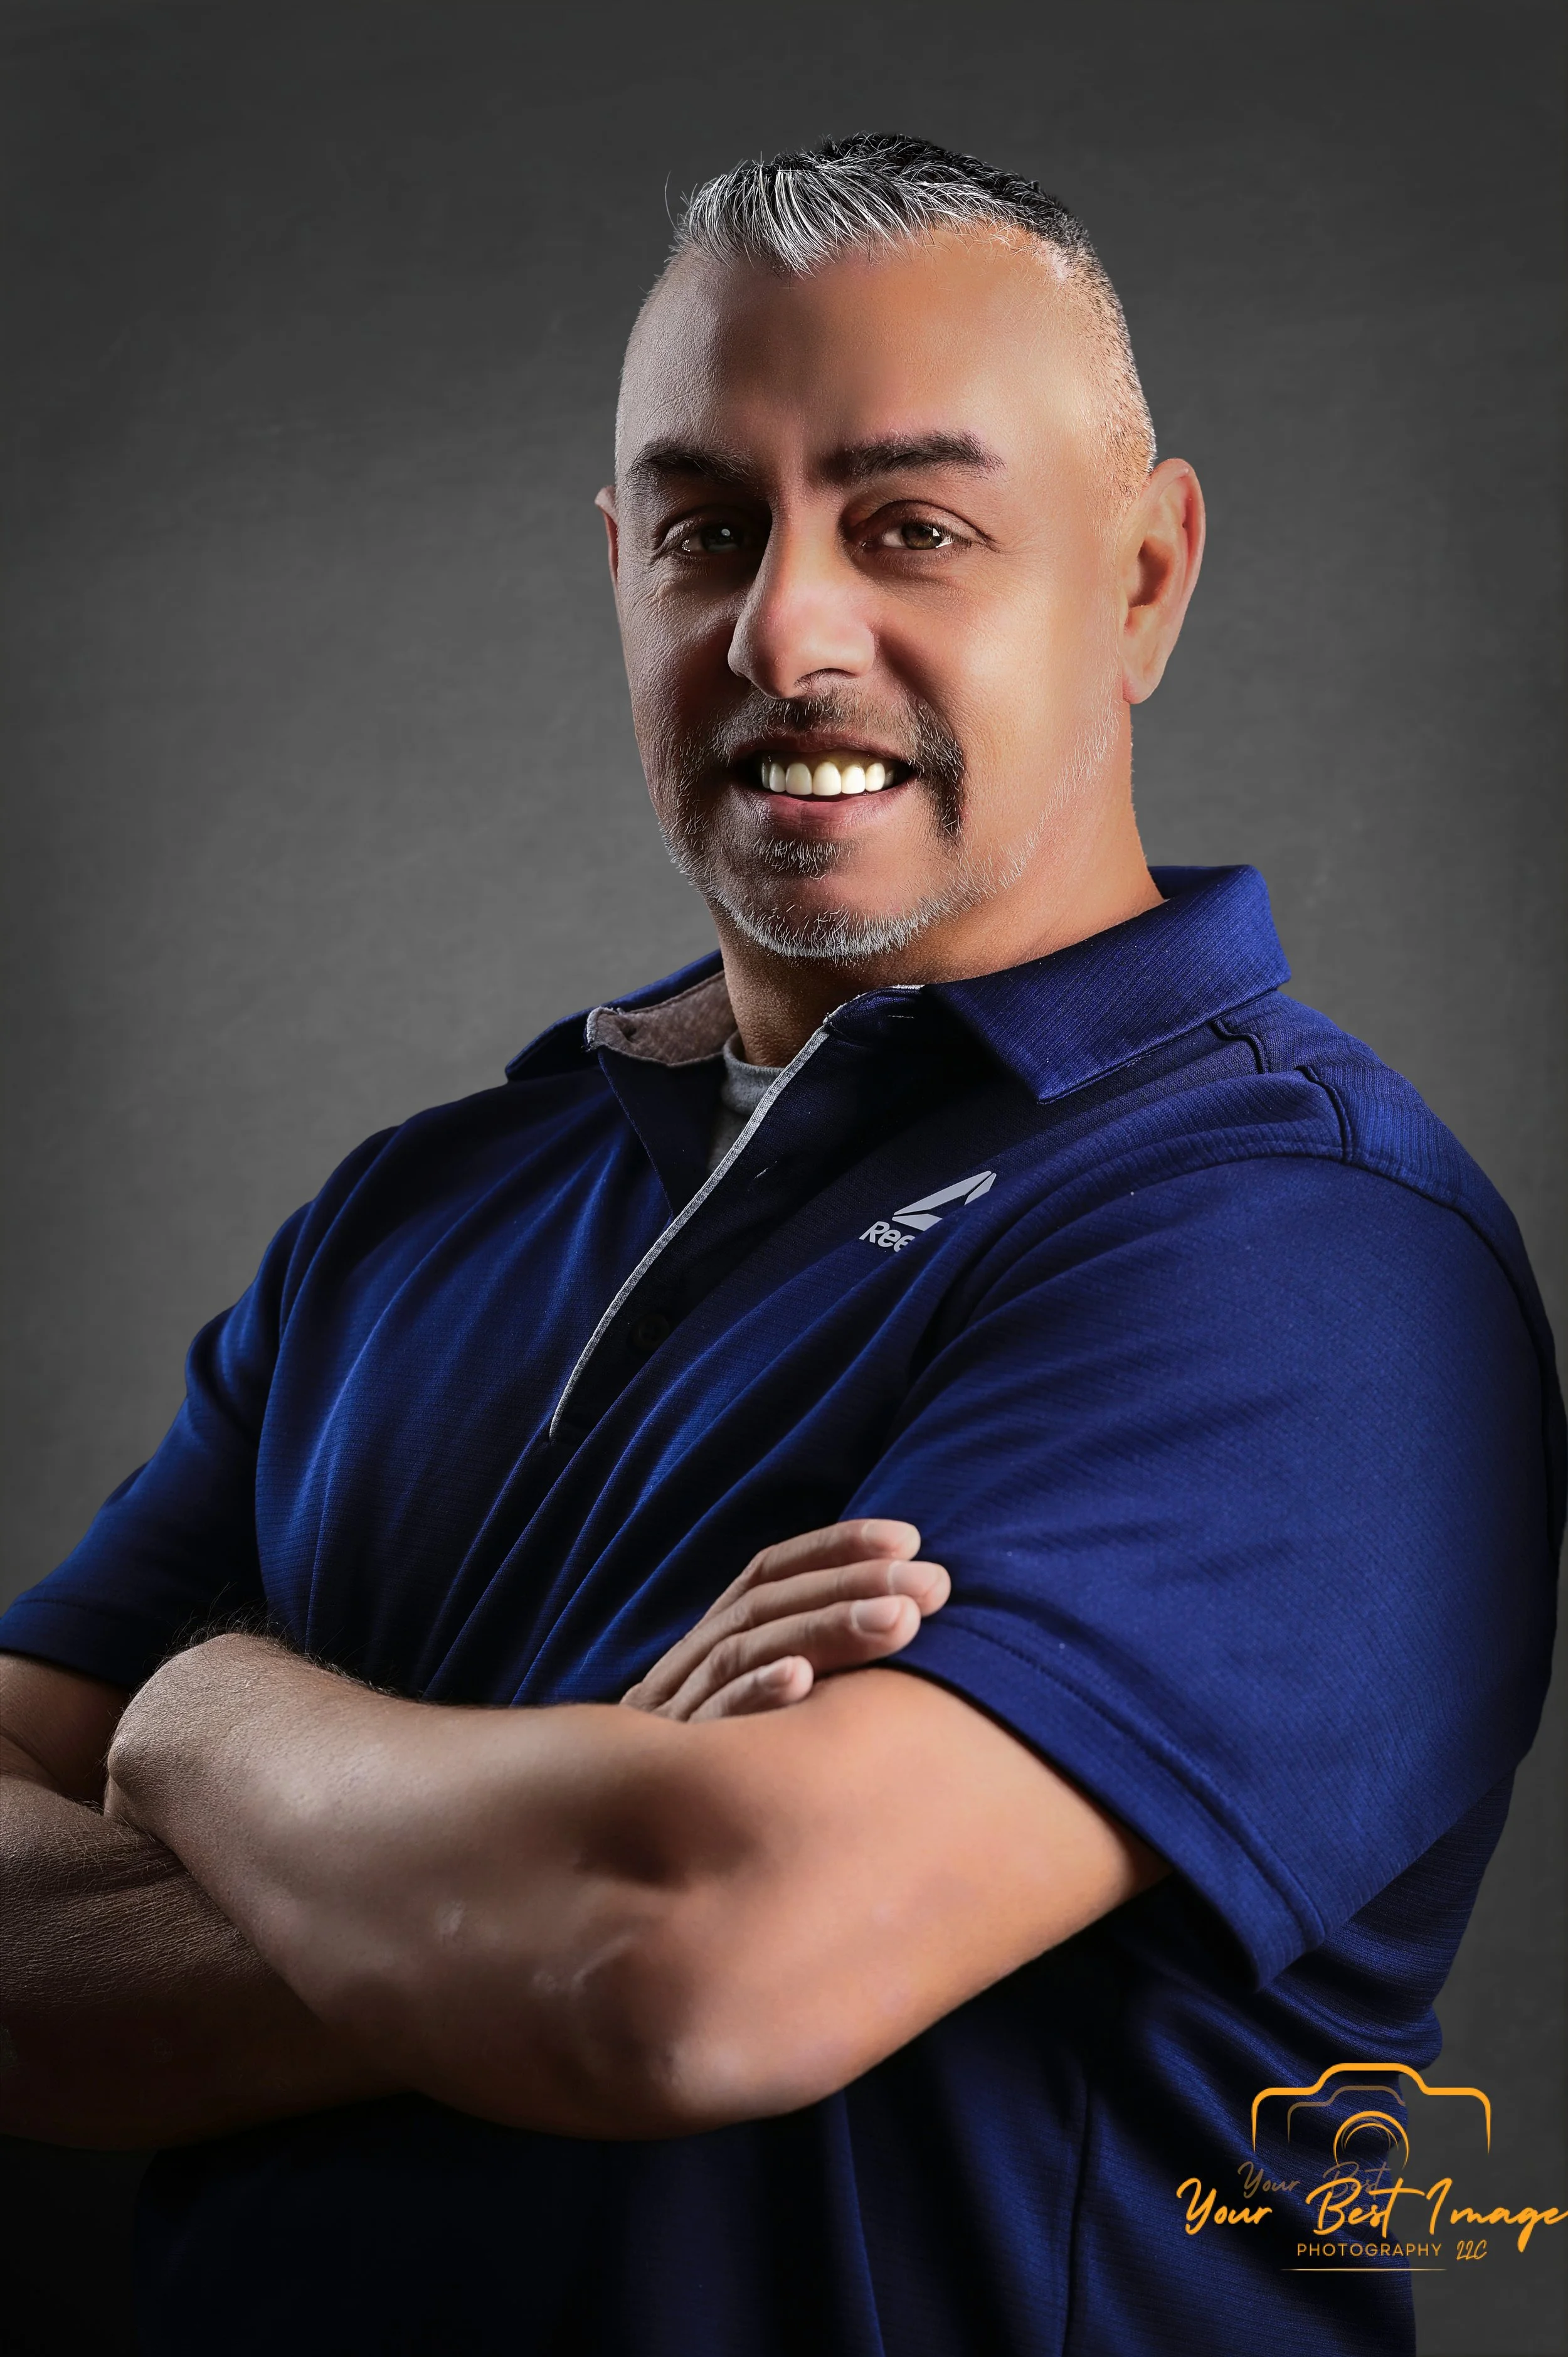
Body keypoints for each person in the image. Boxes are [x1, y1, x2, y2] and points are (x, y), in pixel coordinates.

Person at [0, 134, 1559, 2357]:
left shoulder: (1298, 1250)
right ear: (621, 560)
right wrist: (536, 1830)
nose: (787, 628)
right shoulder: (415, 1212)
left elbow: (680, 1973)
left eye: (913, 524)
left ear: (1139, 578)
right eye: (710, 526)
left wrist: (201, 1711)